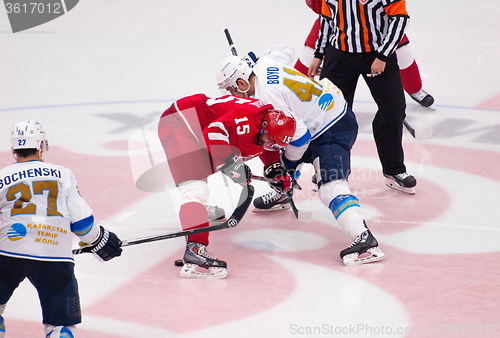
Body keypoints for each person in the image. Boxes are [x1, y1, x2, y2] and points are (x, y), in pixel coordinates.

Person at [216, 44, 386, 265]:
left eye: (232, 90)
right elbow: (286, 50)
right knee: (275, 147)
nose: (233, 96)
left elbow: (301, 137)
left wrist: (288, 165)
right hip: (323, 113)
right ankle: (283, 193)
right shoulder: (264, 64)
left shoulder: (269, 99)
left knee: (329, 187)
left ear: (241, 82)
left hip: (331, 126)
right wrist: (255, 58)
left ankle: (365, 240)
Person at [0, 120, 122, 338]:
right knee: (60, 325)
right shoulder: (62, 174)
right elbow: (83, 225)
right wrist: (101, 240)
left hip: (7, 254)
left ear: (14, 149)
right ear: (41, 146)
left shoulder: (1, 177)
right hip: (54, 256)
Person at [157, 93, 300, 278]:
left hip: (197, 128)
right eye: (267, 139)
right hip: (180, 123)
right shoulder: (248, 120)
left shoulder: (265, 125)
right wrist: (233, 165)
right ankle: (195, 249)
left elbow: (265, 146)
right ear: (264, 125)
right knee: (195, 188)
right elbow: (213, 132)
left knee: (209, 167)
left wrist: (276, 171)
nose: (267, 144)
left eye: (272, 143)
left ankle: (196, 213)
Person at [308, 0, 418, 195]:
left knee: (393, 111)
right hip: (339, 55)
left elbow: (400, 20)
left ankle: (394, 170)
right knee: (331, 115)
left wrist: (383, 55)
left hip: (377, 53)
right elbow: (326, 20)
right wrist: (319, 53)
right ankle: (330, 171)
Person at [295, 0, 434, 108]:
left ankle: (415, 89)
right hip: (339, 20)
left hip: (376, 22)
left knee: (403, 53)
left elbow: (399, 19)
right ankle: (292, 93)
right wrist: (318, 55)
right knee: (308, 56)